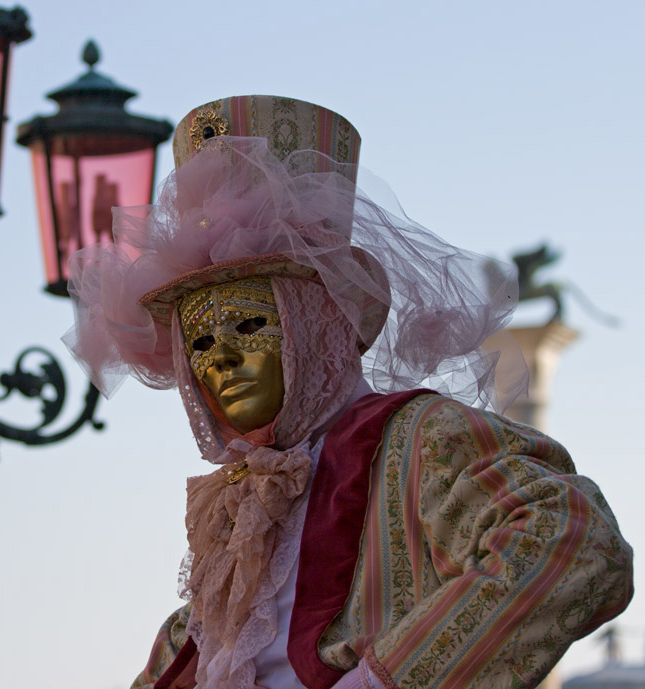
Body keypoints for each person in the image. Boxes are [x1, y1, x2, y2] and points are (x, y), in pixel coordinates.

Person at [64, 96, 633, 689]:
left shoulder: (419, 441)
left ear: (313, 327)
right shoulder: (238, 524)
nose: (223, 357)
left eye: (253, 325)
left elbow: (574, 540)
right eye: (200, 343)